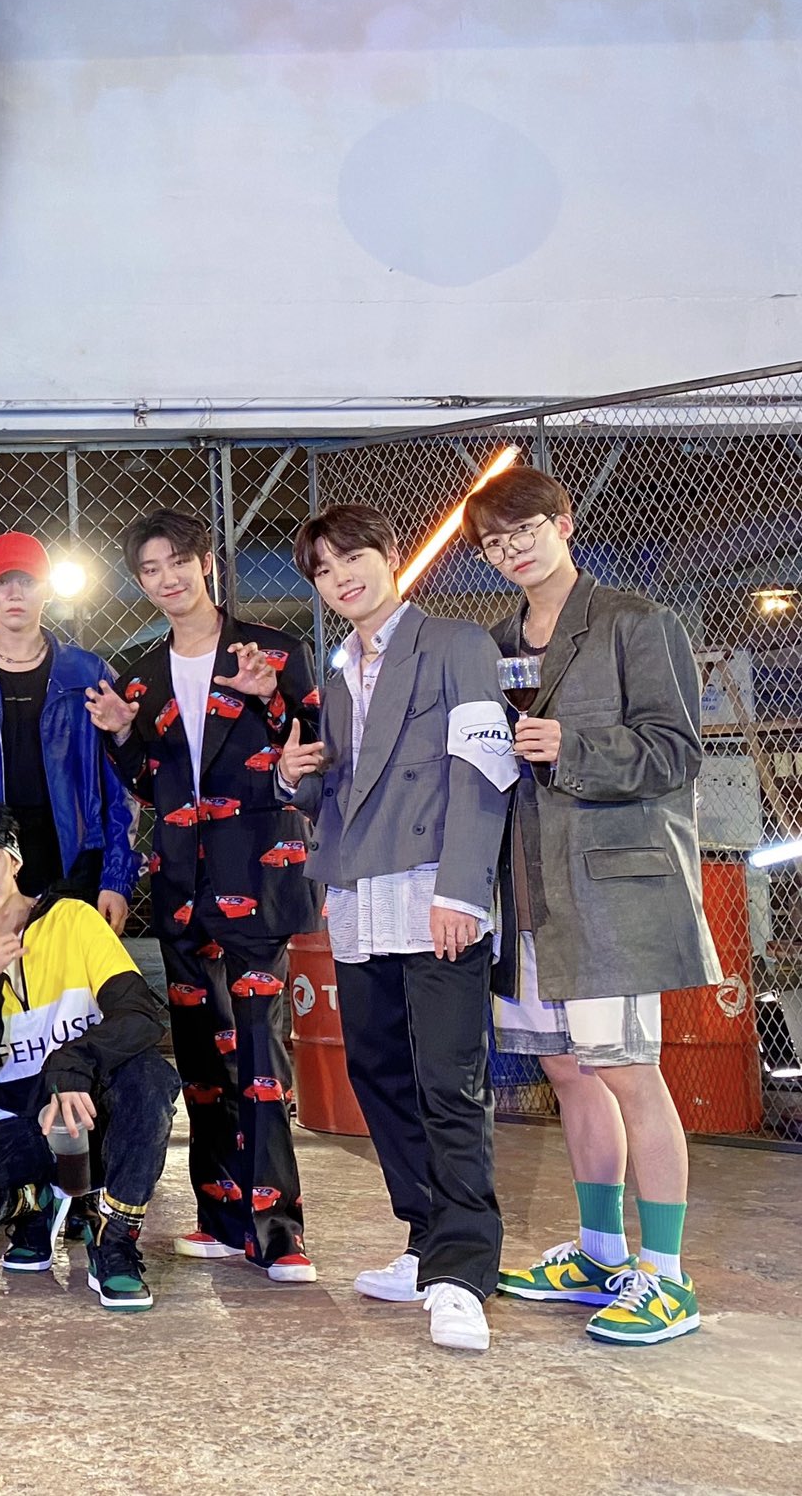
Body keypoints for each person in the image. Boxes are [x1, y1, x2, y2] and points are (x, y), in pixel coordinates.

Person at [462, 467, 720, 1346]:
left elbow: (676, 751)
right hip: (530, 887)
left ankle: (668, 1277)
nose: (513, 549)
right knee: (568, 1071)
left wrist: (572, 745)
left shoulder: (636, 622)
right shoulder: (495, 642)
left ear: (563, 523)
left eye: (525, 529)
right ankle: (603, 1253)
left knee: (627, 1070)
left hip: (611, 888)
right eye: (495, 542)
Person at [278, 502, 516, 1352]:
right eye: (323, 569)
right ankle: (424, 1239)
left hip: (433, 893)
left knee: (449, 1082)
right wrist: (294, 776)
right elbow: (340, 791)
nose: (340, 577)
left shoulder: (456, 645)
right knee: (378, 1070)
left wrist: (462, 892)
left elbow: (483, 772)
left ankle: (463, 1273)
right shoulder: (340, 673)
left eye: (352, 558)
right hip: (359, 896)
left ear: (390, 555)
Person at [82, 508, 322, 1283]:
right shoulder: (140, 674)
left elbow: (309, 753)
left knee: (261, 1056)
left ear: (207, 561)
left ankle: (277, 1231)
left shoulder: (273, 651)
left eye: (178, 561)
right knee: (200, 1062)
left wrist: (268, 698)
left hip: (259, 875)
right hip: (181, 885)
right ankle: (220, 1216)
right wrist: (123, 735)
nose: (167, 579)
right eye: (150, 569)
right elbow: (149, 786)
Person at [0, 798, 180, 1310]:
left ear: (14, 860)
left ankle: (115, 1239)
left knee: (150, 1077)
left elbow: (140, 1016)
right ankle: (40, 1201)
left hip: (91, 1109)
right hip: (20, 1120)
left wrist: (71, 1065)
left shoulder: (73, 919)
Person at [0, 530, 139, 924]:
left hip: (74, 857)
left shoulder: (88, 673)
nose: (15, 593)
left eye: (27, 581)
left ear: (47, 589)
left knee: (72, 964)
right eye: (2, 581)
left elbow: (118, 786)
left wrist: (116, 878)